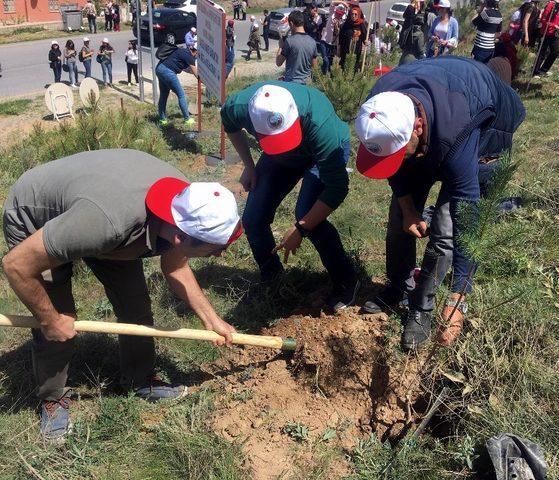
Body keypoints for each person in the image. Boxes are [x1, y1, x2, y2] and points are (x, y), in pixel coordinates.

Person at [2, 149, 242, 441]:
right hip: (37, 216)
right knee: (58, 318)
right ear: (180, 236)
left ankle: (139, 379)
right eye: (215, 247)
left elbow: (176, 267)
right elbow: (16, 265)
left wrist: (211, 318)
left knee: (135, 304)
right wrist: (49, 320)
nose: (221, 254)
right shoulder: (109, 223)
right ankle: (53, 398)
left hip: (96, 215)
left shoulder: (184, 204)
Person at [354, 57, 525, 350]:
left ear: (417, 126)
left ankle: (422, 307)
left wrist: (460, 297)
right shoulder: (380, 107)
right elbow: (393, 169)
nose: (393, 160)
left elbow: (467, 219)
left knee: (446, 225)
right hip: (438, 106)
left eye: (397, 151)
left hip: (486, 122)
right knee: (398, 218)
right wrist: (409, 210)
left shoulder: (458, 130)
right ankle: (399, 286)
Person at [221, 82, 360, 311]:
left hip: (319, 153)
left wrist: (301, 227)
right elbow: (229, 124)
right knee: (253, 219)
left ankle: (346, 280)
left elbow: (337, 188)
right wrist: (249, 166)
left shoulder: (320, 123)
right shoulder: (239, 106)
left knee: (307, 213)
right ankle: (273, 279)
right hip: (280, 158)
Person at [156, 44, 198, 126]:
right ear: (196, 52)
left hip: (159, 68)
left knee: (163, 94)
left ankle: (162, 119)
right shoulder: (190, 57)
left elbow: (185, 68)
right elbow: (197, 75)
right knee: (181, 94)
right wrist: (206, 82)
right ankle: (187, 119)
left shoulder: (182, 50)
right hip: (168, 72)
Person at [276, 10, 317, 83]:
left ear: (291, 23)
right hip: (307, 83)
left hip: (292, 83)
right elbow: (315, 67)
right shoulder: (312, 42)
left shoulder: (289, 41)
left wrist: (280, 46)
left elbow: (278, 63)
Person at [532, 0, 559, 78]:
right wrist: (553, 25)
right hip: (546, 32)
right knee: (541, 52)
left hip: (555, 33)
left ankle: (543, 70)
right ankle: (535, 71)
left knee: (555, 52)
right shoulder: (551, 5)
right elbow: (543, 19)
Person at [399, 0, 427, 64]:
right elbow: (421, 51)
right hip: (410, 28)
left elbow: (404, 16)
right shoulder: (414, 8)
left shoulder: (411, 7)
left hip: (408, 28)